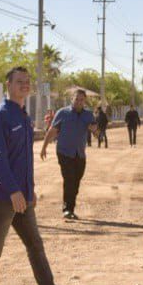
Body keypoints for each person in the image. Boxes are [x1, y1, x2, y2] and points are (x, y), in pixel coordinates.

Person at [0, 67, 87, 285]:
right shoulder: (0, 116)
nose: (24, 85)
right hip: (1, 197)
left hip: (22, 197)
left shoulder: (23, 116)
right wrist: (12, 190)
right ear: (8, 84)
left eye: (27, 82)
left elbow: (24, 160)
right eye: (19, 81)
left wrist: (29, 188)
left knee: (35, 246)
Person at [39, 88, 97, 220]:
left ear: (84, 101)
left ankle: (70, 206)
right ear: (72, 99)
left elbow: (96, 132)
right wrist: (44, 147)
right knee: (69, 179)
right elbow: (52, 131)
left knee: (76, 181)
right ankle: (67, 209)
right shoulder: (62, 113)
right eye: (76, 99)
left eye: (81, 100)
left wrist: (95, 131)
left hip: (80, 154)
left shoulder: (88, 115)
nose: (78, 102)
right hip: (64, 152)